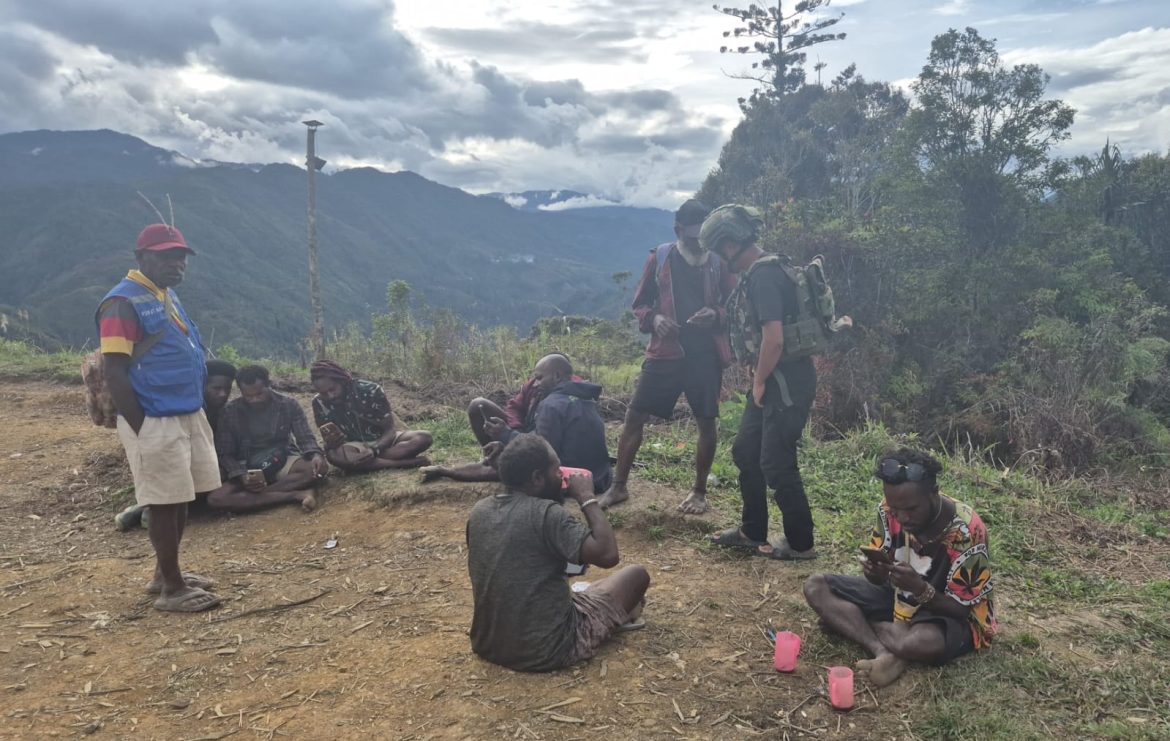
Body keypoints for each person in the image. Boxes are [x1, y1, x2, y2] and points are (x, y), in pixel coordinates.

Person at [97, 222, 221, 612]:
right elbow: (114, 370)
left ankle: (165, 574)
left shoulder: (164, 295)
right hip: (155, 418)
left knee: (181, 494)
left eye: (181, 257)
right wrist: (142, 425)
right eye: (166, 256)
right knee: (164, 502)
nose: (176, 264)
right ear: (141, 258)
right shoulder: (122, 303)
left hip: (183, 411)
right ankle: (172, 589)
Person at [803, 449, 997, 686]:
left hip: (946, 613)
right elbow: (880, 577)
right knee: (816, 586)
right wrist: (875, 574)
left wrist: (919, 589)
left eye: (911, 509)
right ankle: (882, 651)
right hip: (899, 599)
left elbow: (961, 610)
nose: (902, 518)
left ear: (934, 493)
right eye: (896, 510)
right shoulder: (888, 510)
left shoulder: (967, 531)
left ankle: (856, 624)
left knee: (916, 643)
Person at [466, 433, 650, 671]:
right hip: (546, 649)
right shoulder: (546, 513)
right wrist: (586, 498)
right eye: (556, 469)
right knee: (636, 575)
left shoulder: (479, 511)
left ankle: (604, 604)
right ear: (537, 478)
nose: (562, 475)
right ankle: (623, 614)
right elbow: (608, 555)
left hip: (487, 644)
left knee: (584, 586)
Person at [598, 199, 735, 515]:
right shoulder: (660, 258)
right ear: (678, 231)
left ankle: (699, 492)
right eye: (692, 237)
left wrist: (715, 314)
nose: (699, 244)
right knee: (635, 416)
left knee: (706, 420)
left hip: (705, 357)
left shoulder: (718, 263)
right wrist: (655, 319)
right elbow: (640, 304)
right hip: (665, 353)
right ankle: (619, 486)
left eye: (704, 238)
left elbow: (735, 307)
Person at [701, 204, 819, 560]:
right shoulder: (766, 269)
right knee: (746, 451)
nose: (722, 260)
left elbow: (775, 338)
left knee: (776, 461)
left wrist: (759, 381)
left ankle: (801, 544)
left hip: (784, 381)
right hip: (774, 377)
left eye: (720, 252)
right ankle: (752, 531)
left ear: (729, 245)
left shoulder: (765, 277)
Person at [423, 355, 612, 492]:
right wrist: (513, 431)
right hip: (600, 477)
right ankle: (452, 469)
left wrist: (506, 434)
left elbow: (542, 450)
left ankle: (446, 471)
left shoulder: (552, 404)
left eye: (539, 378)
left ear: (556, 376)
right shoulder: (585, 397)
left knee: (509, 469)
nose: (535, 383)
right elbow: (515, 407)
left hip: (572, 478)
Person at [115, 358, 237, 531]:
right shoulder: (189, 412)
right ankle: (150, 509)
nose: (223, 394)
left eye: (227, 389)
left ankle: (145, 509)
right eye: (216, 389)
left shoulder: (226, 412)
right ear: (201, 386)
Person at [208, 365, 327, 513]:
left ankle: (255, 497)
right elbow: (225, 453)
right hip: (246, 466)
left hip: (281, 459)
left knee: (314, 469)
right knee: (216, 498)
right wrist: (242, 476)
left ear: (268, 385)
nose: (254, 400)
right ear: (240, 391)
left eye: (259, 394)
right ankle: (294, 495)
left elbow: (305, 438)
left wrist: (316, 455)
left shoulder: (288, 405)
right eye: (248, 396)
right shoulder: (229, 412)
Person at [309, 360, 433, 471]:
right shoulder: (319, 403)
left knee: (423, 438)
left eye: (333, 389)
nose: (330, 396)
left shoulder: (370, 390)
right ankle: (399, 464)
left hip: (383, 442)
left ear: (341, 380)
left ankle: (368, 464)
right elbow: (330, 442)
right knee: (334, 456)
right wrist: (332, 444)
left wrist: (374, 451)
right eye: (324, 393)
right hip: (352, 447)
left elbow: (389, 430)